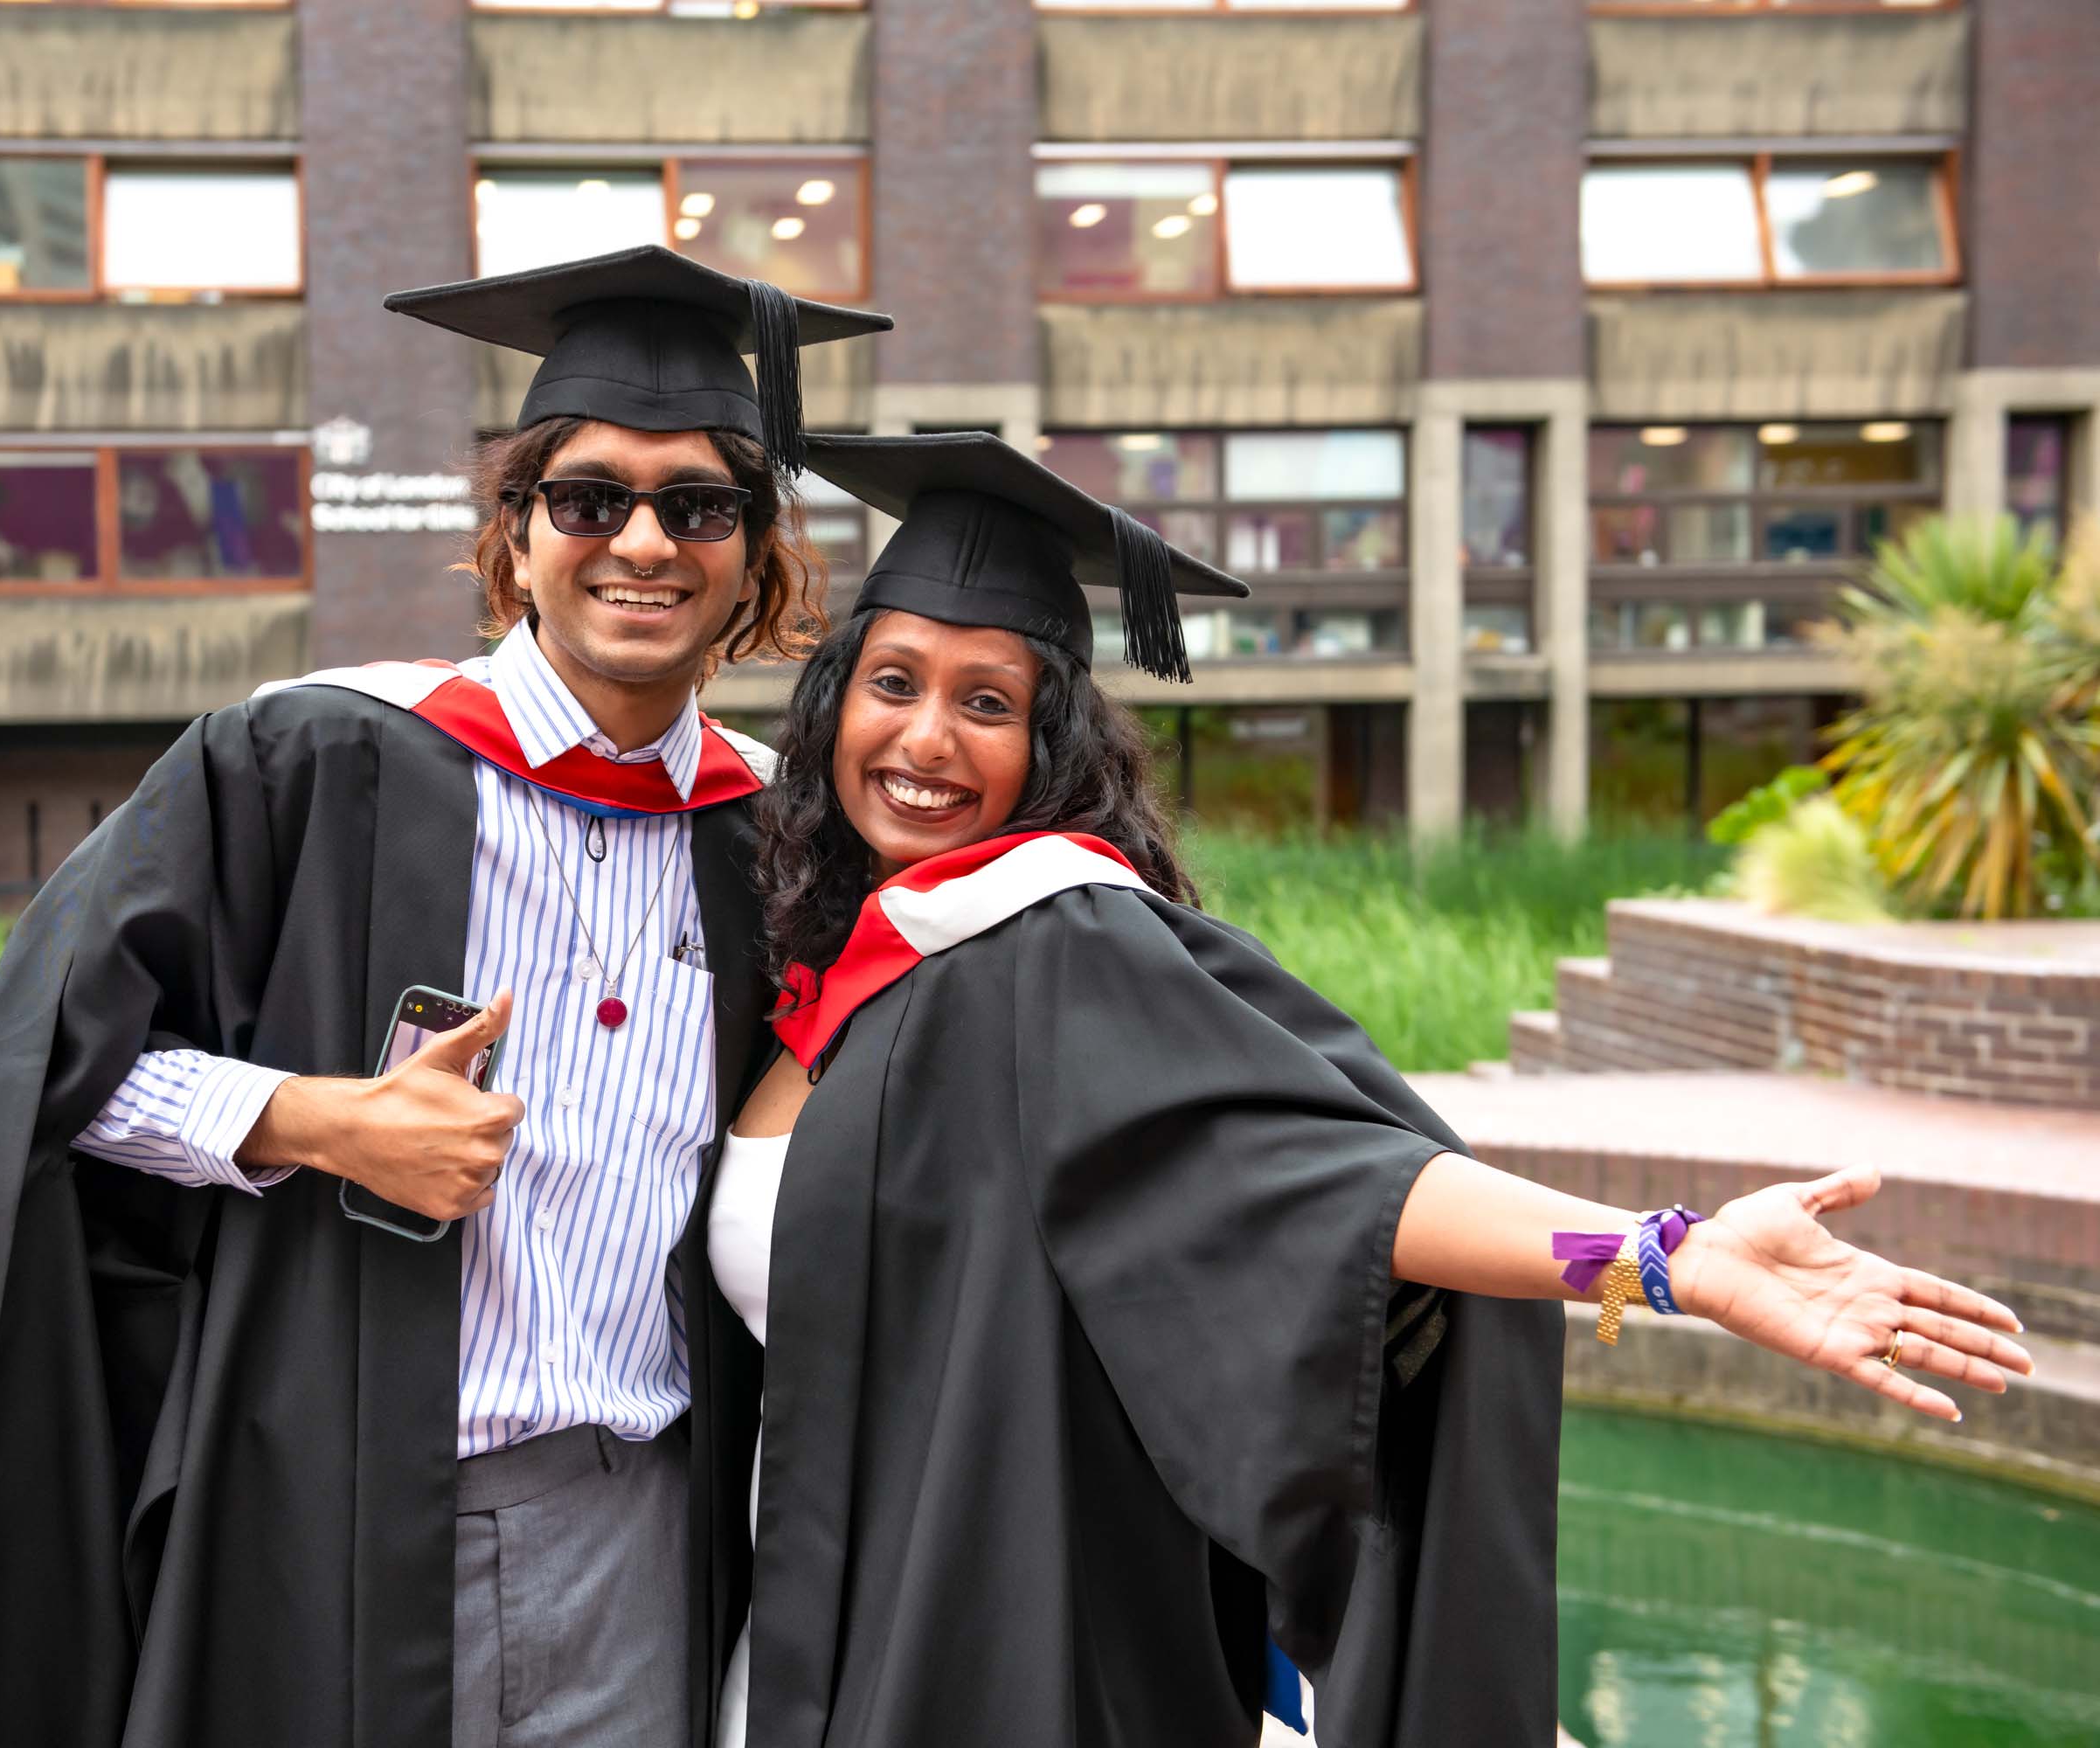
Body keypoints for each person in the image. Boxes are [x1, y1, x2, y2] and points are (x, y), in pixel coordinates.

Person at [697, 432, 2035, 1748]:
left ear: (1045, 747)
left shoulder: (1060, 947)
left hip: (994, 1659)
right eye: (894, 683)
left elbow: (1345, 1186)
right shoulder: (831, 965)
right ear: (833, 705)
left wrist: (1660, 1261)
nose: (927, 738)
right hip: (810, 1634)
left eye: (986, 702)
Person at [0, 247, 889, 1748]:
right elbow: (38, 1065)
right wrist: (313, 1120)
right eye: (589, 499)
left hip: (651, 1527)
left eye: (698, 505)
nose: (641, 540)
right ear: (514, 543)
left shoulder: (773, 840)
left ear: (754, 558)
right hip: (339, 1509)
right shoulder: (309, 765)